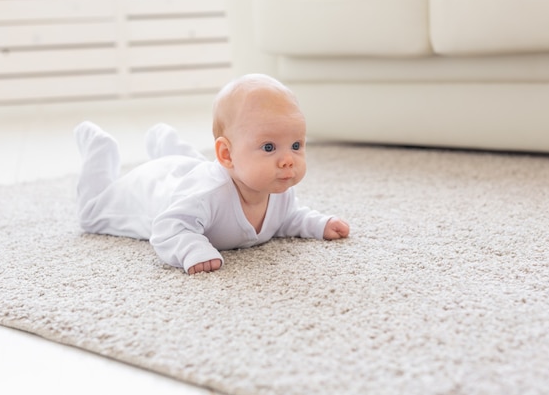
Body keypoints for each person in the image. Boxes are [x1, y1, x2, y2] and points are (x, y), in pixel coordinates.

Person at [74, 74, 350, 274]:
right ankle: (100, 150)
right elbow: (168, 228)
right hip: (154, 188)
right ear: (226, 154)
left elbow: (288, 217)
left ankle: (168, 146)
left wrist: (318, 224)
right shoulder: (208, 196)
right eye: (269, 147)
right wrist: (191, 249)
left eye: (296, 145)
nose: (288, 160)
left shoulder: (277, 187)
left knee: (196, 167)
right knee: (91, 213)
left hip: (194, 172)